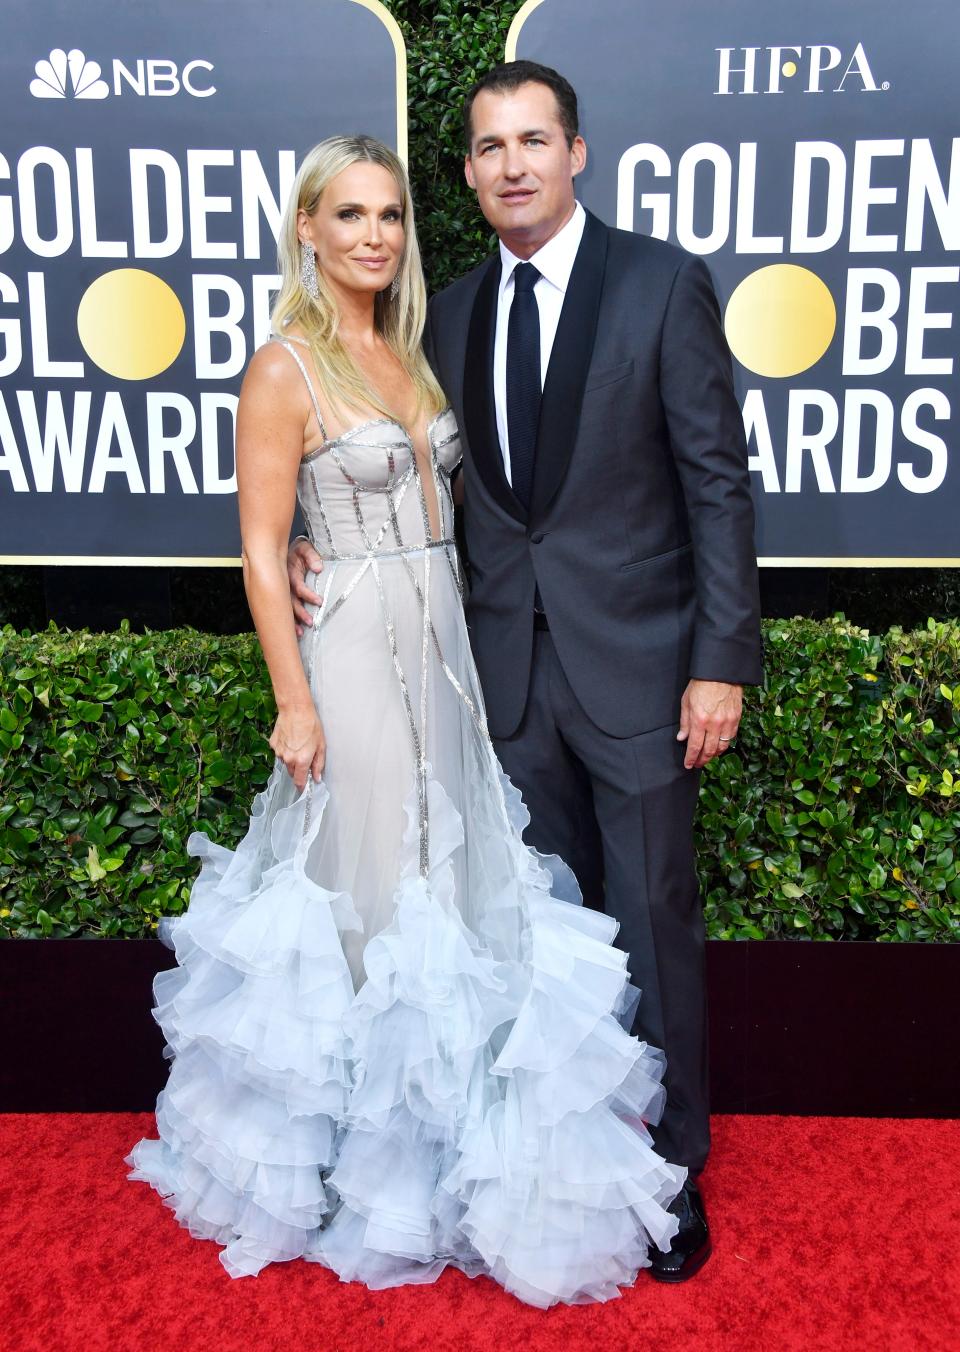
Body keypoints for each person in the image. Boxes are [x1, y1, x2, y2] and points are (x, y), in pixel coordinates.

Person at [126, 132, 686, 1307]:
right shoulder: (286, 366)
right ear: (308, 231)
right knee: (376, 878)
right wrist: (292, 695)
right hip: (355, 653)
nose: (375, 234)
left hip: (451, 645)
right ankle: (358, 1168)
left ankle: (451, 1147)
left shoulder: (416, 357)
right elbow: (260, 546)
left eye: (389, 215)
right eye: (350, 215)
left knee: (462, 868)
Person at [288, 63, 763, 1282]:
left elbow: (718, 484)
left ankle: (670, 1176)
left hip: (644, 670)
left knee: (650, 921)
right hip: (493, 677)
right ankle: (557, 1158)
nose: (512, 165)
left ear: (577, 153)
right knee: (533, 933)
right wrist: (310, 544)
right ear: (466, 172)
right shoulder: (443, 314)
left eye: (533, 140)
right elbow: (405, 474)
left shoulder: (660, 283)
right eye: (489, 147)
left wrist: (720, 661)